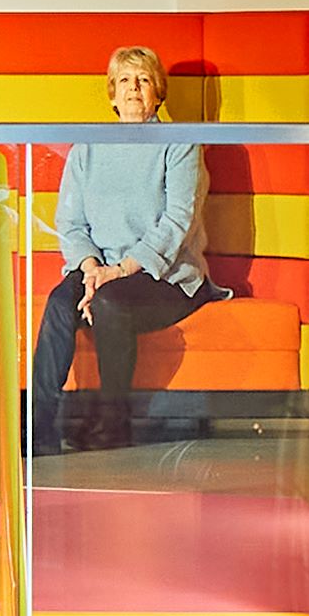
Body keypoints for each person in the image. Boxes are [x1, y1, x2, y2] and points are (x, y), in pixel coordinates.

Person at [26, 42, 213, 457]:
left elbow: (177, 221)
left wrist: (121, 270)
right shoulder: (87, 148)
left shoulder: (179, 144)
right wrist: (92, 268)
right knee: (59, 303)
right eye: (125, 80)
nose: (134, 88)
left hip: (164, 276)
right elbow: (70, 223)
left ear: (158, 93)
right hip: (100, 269)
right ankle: (37, 426)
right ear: (112, 94)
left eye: (144, 80)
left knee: (109, 302)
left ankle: (115, 424)